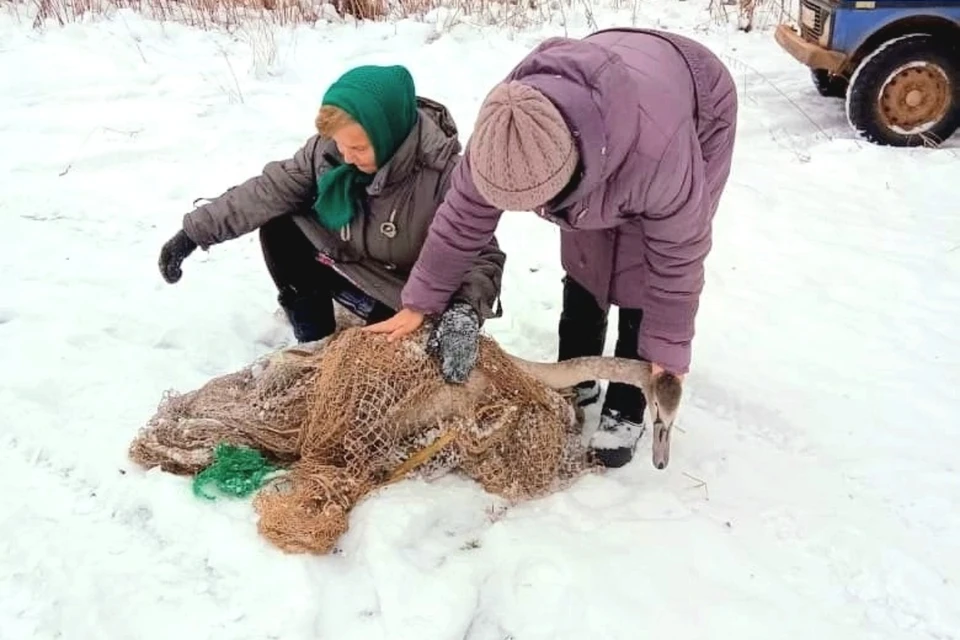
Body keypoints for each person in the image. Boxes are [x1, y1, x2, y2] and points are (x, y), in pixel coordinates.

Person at [365, 28, 738, 468]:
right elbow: (462, 220)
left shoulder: (661, 159)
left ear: (573, 168)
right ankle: (576, 374)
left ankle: (626, 405)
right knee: (586, 251)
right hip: (603, 99)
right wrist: (420, 302)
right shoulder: (505, 133)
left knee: (640, 271)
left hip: (695, 100)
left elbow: (677, 259)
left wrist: (668, 353)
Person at [157, 64, 505, 374]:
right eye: (341, 146)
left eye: (359, 148)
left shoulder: (444, 175)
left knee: (391, 369)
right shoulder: (327, 151)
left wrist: (463, 312)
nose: (347, 158)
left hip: (405, 297)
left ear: (389, 135)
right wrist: (193, 232)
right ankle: (314, 338)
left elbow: (480, 255)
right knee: (281, 226)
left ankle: (374, 319)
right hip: (348, 263)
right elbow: (267, 191)